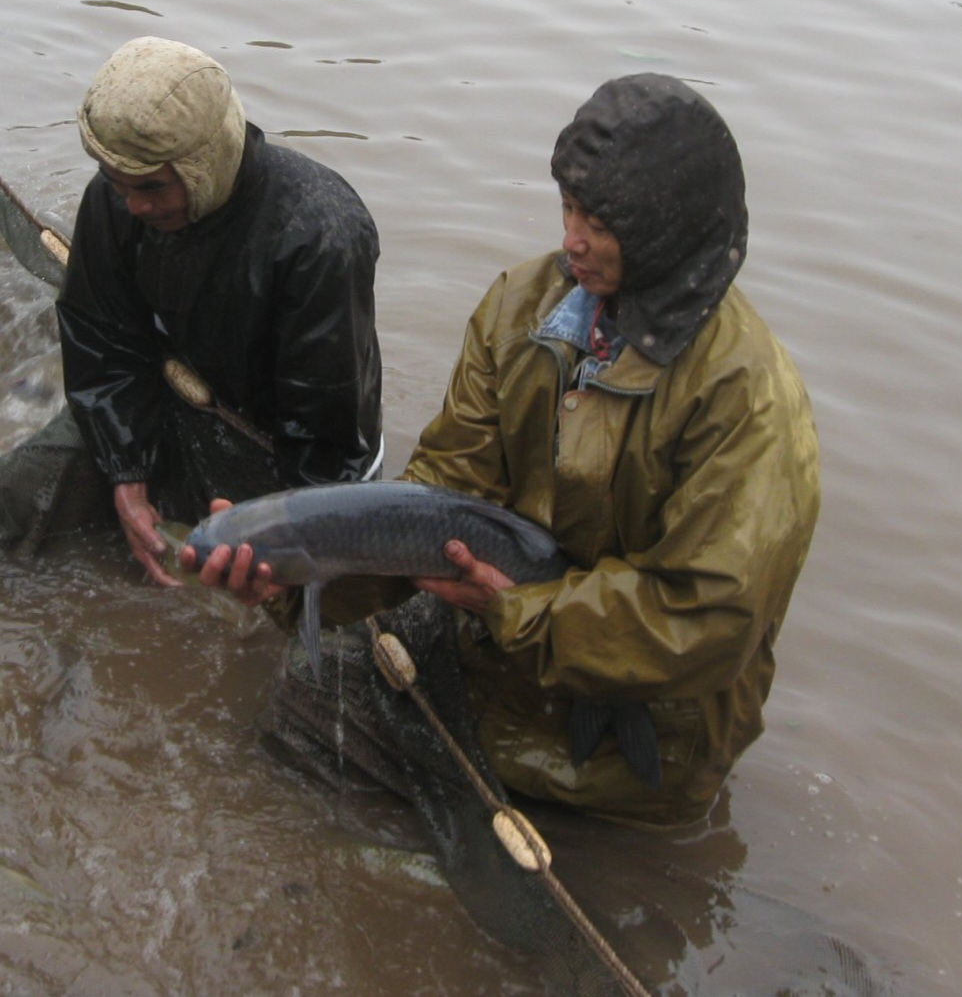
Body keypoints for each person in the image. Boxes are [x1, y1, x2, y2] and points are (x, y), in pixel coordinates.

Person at [188, 73, 820, 826]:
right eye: (569, 207)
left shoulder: (747, 399)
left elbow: (708, 619)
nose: (570, 240)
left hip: (649, 737)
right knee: (294, 727)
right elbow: (436, 503)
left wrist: (517, 608)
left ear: (668, 234)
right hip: (497, 665)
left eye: (600, 221)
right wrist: (291, 577)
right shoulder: (523, 308)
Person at [0, 36, 383, 583]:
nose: (134, 206)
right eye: (119, 184)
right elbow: (102, 341)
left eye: (152, 188)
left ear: (204, 163)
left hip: (291, 449)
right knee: (19, 490)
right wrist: (127, 474)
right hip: (171, 399)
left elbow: (324, 427)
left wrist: (279, 549)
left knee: (293, 612)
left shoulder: (319, 235)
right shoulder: (115, 199)